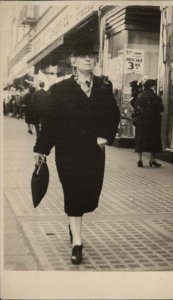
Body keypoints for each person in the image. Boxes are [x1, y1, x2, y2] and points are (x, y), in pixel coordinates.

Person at [33, 41, 120, 265]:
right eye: (83, 56)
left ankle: (74, 226)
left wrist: (105, 136)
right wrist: (41, 148)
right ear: (73, 61)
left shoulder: (103, 87)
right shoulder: (59, 89)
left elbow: (113, 115)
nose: (88, 60)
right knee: (73, 193)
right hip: (68, 151)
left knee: (89, 195)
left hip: (93, 151)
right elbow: (50, 122)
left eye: (91, 56)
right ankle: (77, 243)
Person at [134, 79, 164, 167]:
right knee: (153, 140)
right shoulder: (156, 97)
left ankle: (140, 159)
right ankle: (152, 160)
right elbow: (161, 108)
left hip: (142, 122)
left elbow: (136, 108)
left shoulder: (140, 97)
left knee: (141, 140)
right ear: (152, 86)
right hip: (153, 122)